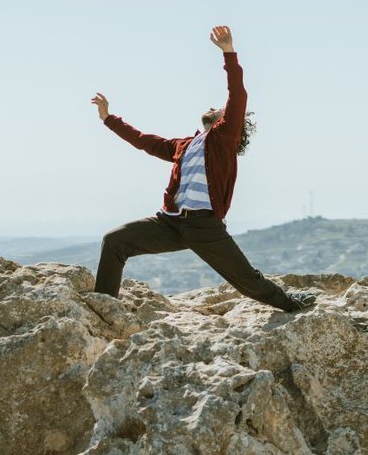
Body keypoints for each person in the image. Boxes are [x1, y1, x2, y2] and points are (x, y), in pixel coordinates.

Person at [90, 25, 316, 312]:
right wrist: (108, 118)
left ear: (230, 122)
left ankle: (291, 304)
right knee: (114, 241)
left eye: (218, 109)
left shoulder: (224, 140)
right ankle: (104, 307)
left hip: (204, 226)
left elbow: (237, 96)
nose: (213, 107)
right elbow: (144, 141)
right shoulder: (184, 145)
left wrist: (229, 53)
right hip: (169, 222)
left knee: (246, 279)